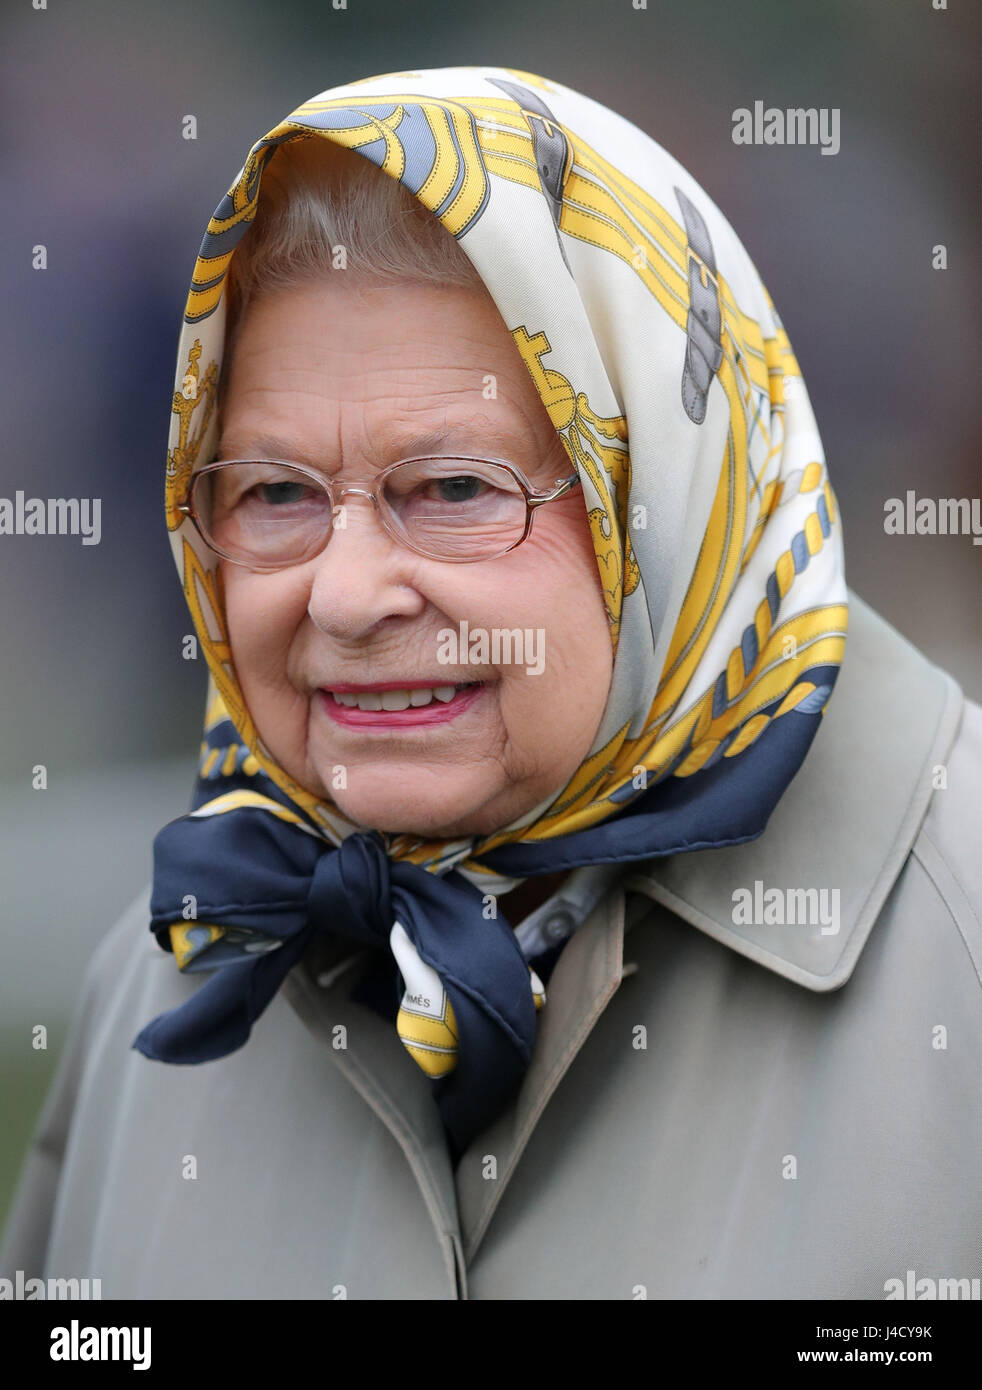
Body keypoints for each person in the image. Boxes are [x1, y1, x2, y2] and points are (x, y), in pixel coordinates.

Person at [2, 65, 980, 1301]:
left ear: (671, 507)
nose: (346, 596)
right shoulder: (181, 962)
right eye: (275, 493)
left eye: (457, 489)